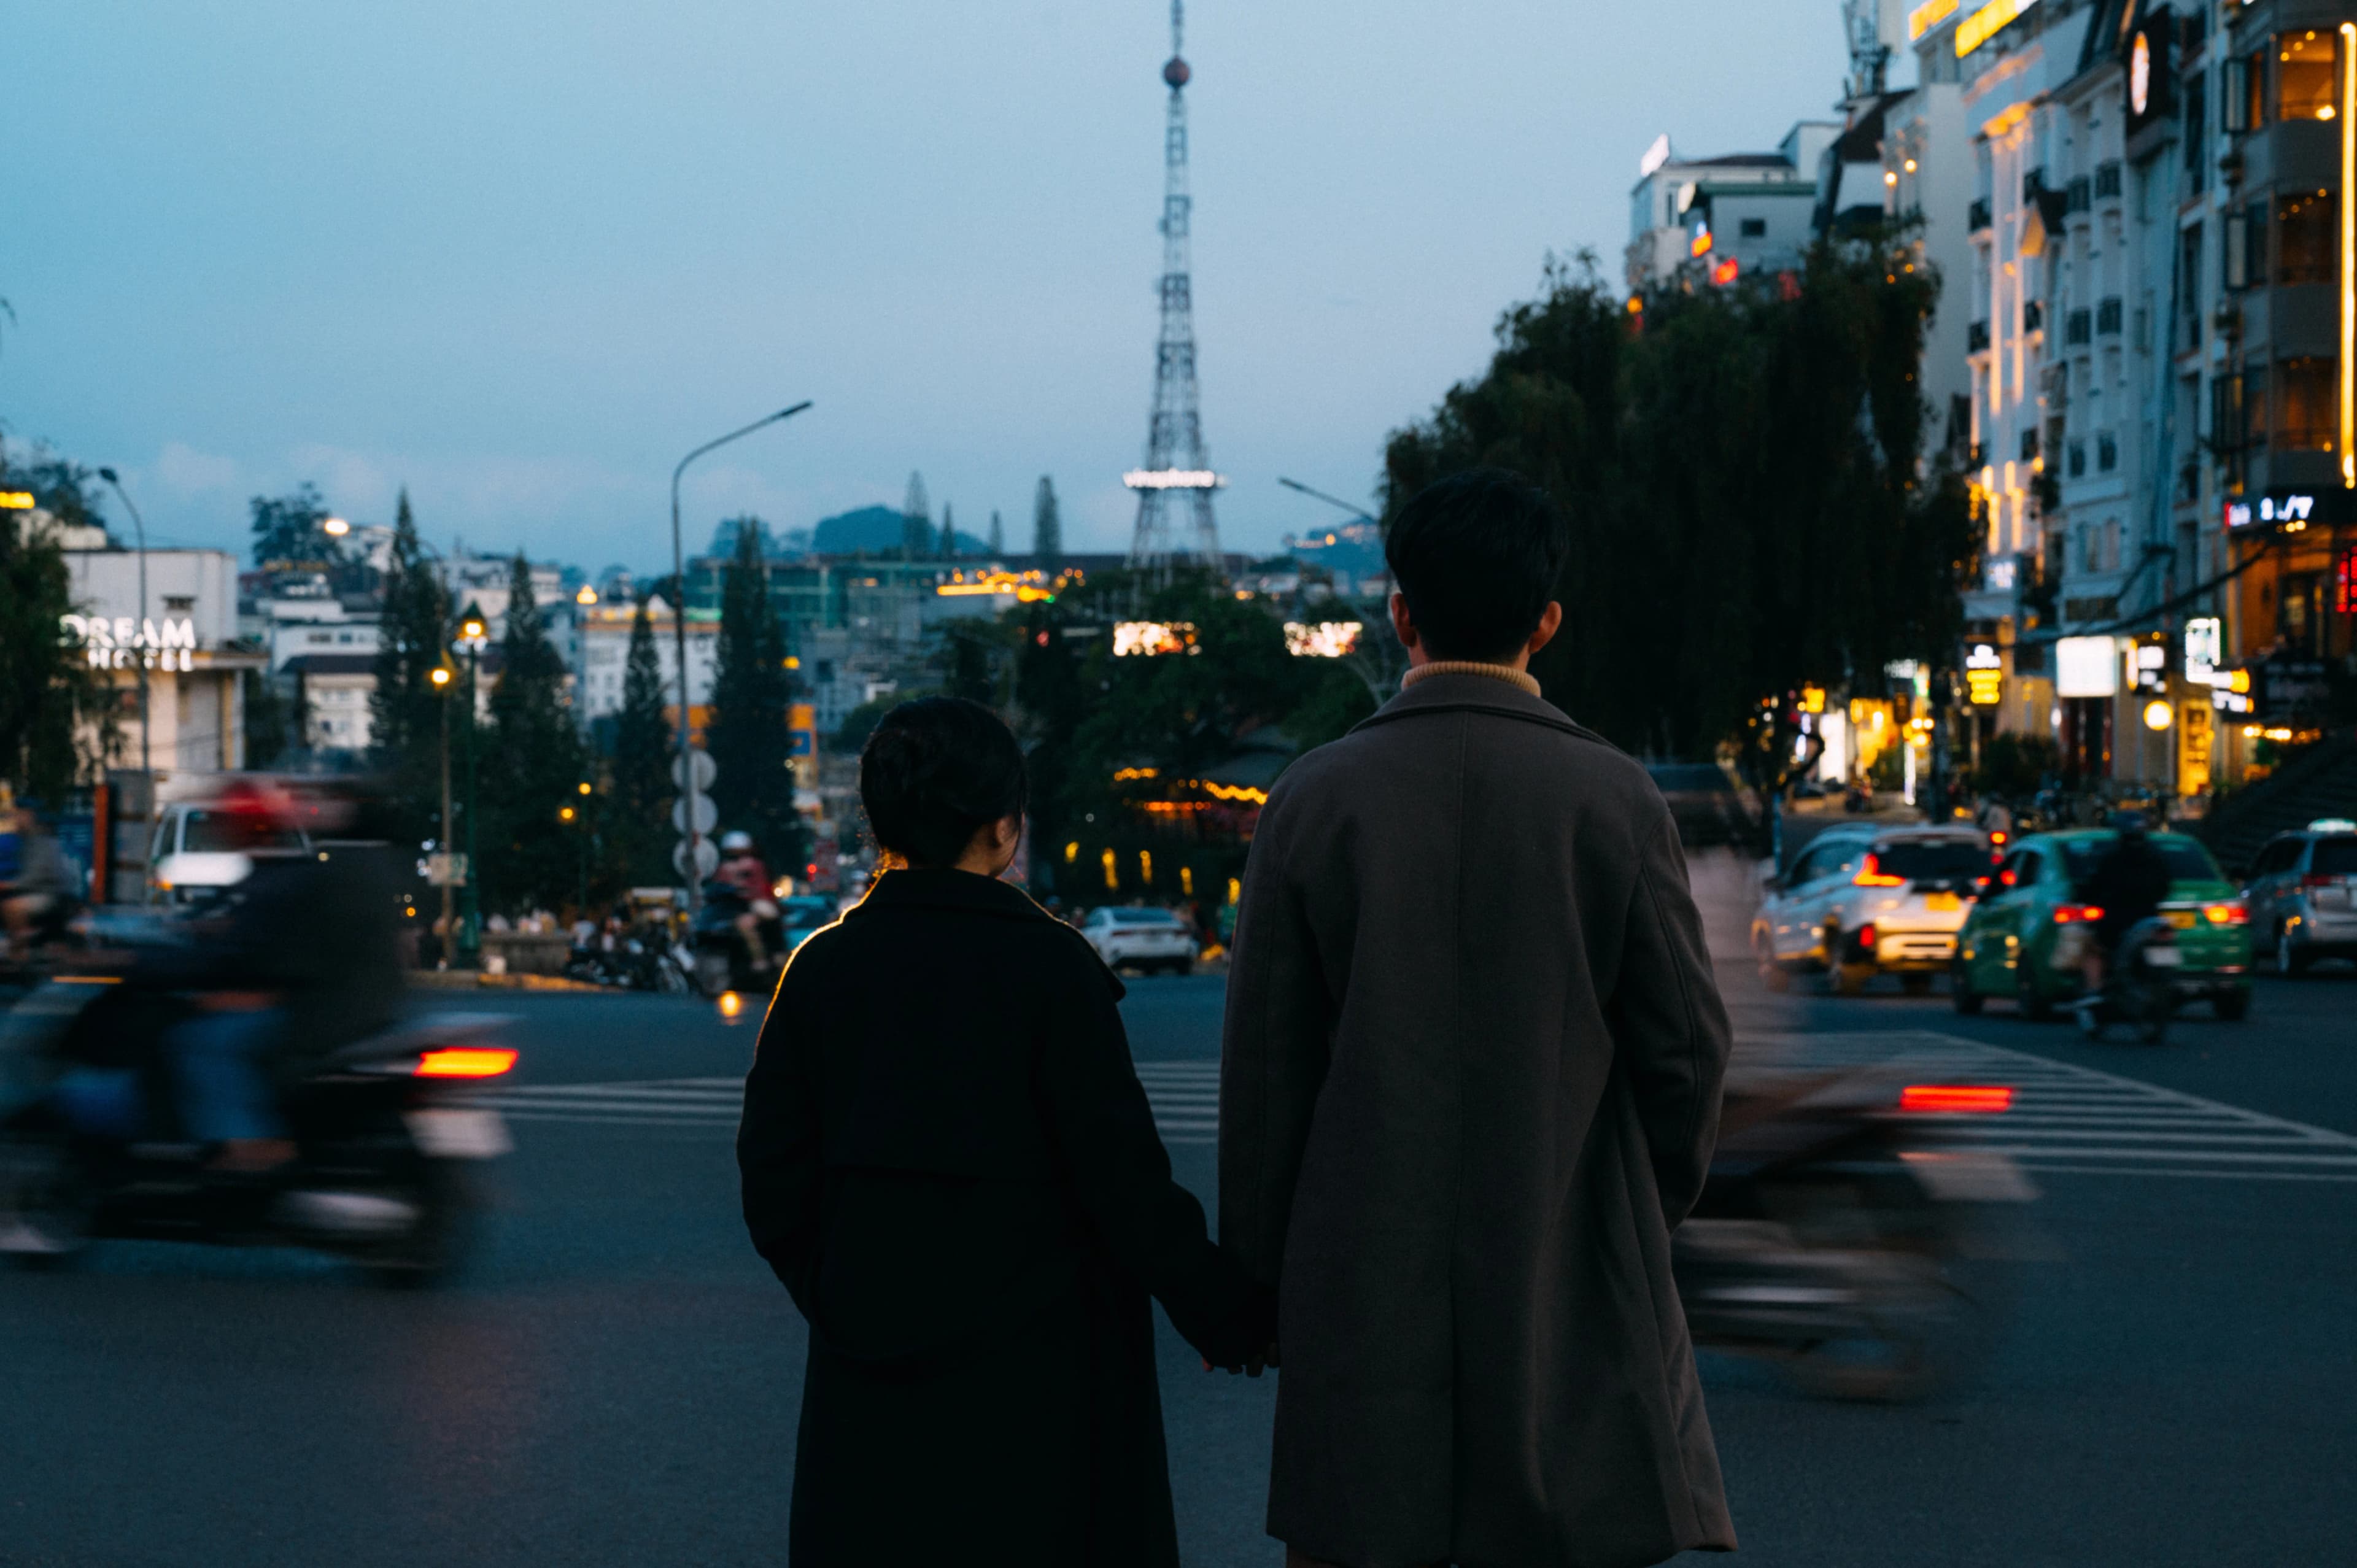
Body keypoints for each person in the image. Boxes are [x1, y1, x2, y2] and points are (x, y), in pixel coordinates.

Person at [1221, 468, 1736, 1568]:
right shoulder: (1611, 797)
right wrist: (1631, 1211)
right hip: (1563, 1276)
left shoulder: (1312, 798)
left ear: (1399, 612)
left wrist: (1261, 1278)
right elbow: (1686, 1057)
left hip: (1360, 1284)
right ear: (1546, 622)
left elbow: (1268, 1080)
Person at [737, 696, 1274, 1566]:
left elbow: (772, 1170)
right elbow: (1124, 1183)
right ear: (1003, 828)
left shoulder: (823, 970)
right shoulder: (1052, 968)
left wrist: (839, 1286)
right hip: (1050, 1374)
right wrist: (1226, 1313)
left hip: (873, 1373)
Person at [2078, 813, 2173, 992]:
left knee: (2093, 949)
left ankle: (2094, 990)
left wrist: (2085, 897)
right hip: (2148, 916)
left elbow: (2095, 887)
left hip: (2118, 922)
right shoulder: (2156, 858)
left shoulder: (2113, 859)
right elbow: (2165, 886)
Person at [713, 829, 778, 970]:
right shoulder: (724, 867)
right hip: (729, 908)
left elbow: (759, 888)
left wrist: (745, 892)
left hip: (751, 905)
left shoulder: (754, 865)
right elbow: (718, 885)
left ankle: (759, 959)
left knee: (747, 924)